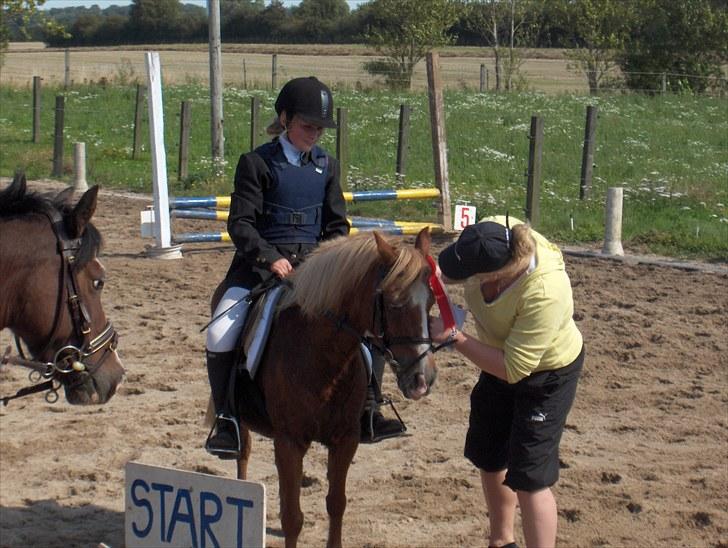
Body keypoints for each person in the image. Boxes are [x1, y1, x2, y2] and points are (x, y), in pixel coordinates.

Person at [205, 76, 403, 459]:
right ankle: (227, 420)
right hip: (260, 269)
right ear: (285, 118)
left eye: (319, 128)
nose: (314, 134)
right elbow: (240, 224)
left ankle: (369, 410)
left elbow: (336, 225)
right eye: (307, 125)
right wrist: (270, 257)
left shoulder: (326, 165)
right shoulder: (257, 163)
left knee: (367, 318)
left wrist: (324, 261)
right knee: (220, 331)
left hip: (315, 270)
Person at [429, 215, 584, 548]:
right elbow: (444, 271)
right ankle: (501, 541)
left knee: (530, 476)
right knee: (490, 452)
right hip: (496, 354)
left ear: (493, 274)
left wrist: (454, 337)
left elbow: (514, 368)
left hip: (546, 373)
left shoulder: (545, 291)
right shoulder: (495, 233)